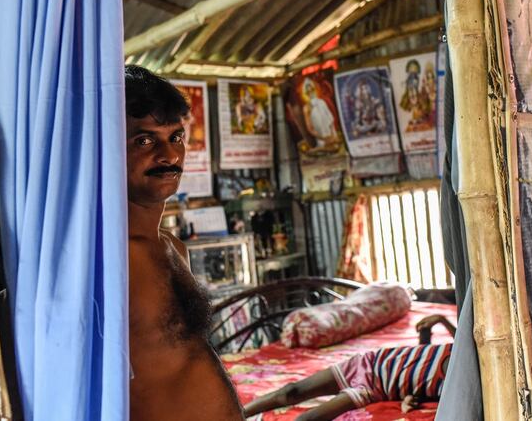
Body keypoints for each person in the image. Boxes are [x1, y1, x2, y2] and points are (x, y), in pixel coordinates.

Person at [125, 65, 244, 420]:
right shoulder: (107, 257)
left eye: (175, 137)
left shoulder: (174, 248)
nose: (168, 156)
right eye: (144, 140)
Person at [243, 314, 457, 421]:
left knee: (307, 419)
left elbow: (421, 389)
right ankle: (236, 415)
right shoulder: (460, 347)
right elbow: (423, 357)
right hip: (369, 362)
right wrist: (439, 322)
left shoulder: (455, 382)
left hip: (374, 388)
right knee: (290, 391)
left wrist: (413, 400)